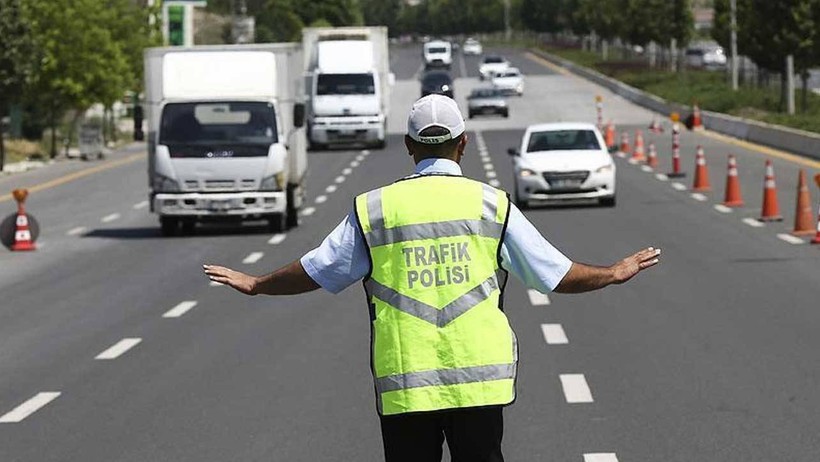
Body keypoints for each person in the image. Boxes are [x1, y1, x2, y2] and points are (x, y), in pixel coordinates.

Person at [203, 94, 661, 462]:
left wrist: (258, 283)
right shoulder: (491, 205)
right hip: (479, 382)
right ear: (462, 145)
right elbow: (554, 274)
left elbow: (317, 270)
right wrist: (613, 273)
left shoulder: (375, 209)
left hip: (406, 382)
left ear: (409, 146)